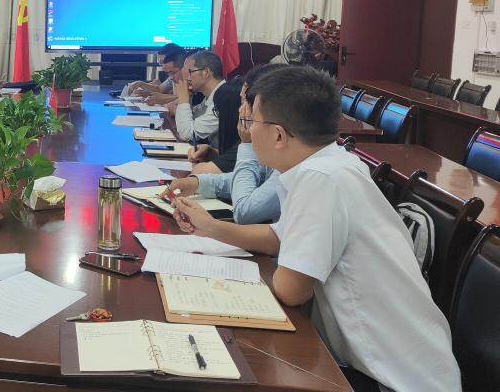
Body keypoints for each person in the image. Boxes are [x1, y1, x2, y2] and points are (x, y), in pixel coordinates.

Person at [171, 66, 461, 392]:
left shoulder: (321, 179)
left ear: (278, 135)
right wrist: (212, 227)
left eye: (251, 121)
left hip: (393, 379)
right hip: (377, 363)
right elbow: (279, 237)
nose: (247, 133)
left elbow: (292, 290)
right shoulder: (329, 163)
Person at [165, 64, 286, 224]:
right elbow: (256, 178)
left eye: (245, 102)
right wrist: (197, 183)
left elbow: (245, 212)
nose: (241, 111)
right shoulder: (276, 148)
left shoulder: (289, 162)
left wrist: (247, 144)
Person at [172, 50, 225, 147]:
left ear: (206, 72)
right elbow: (192, 118)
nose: (187, 78)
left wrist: (183, 100)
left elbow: (187, 134)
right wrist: (188, 98)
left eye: (190, 72)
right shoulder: (211, 96)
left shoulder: (223, 98)